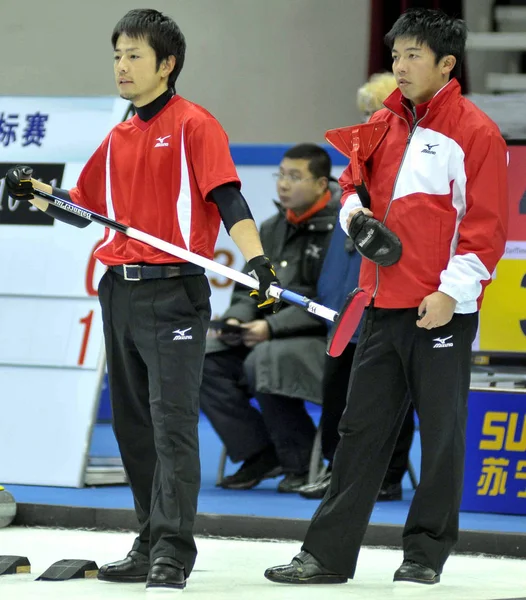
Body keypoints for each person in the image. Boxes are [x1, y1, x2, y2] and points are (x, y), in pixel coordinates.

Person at [5, 9, 280, 593]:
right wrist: (38, 195)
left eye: (134, 55)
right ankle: (149, 539)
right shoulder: (119, 134)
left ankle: (174, 552)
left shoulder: (195, 125)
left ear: (167, 64)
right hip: (118, 291)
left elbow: (229, 200)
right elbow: (82, 211)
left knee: (171, 423)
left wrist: (257, 260)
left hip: (173, 292)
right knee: (134, 426)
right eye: (117, 55)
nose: (122, 66)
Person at [264, 8, 508, 586]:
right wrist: (353, 215)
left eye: (413, 56)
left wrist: (451, 293)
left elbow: (487, 228)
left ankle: (423, 555)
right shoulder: (381, 124)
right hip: (378, 304)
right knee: (358, 433)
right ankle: (325, 556)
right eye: (395, 55)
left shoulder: (475, 133)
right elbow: (349, 185)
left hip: (440, 314)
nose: (399, 66)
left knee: (442, 435)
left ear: (447, 64)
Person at [299, 72, 415, 502]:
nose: (368, 121)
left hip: (387, 300)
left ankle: (388, 475)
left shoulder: (405, 174)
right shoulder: (354, 172)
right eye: (365, 113)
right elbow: (336, 261)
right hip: (346, 304)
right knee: (336, 388)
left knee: (391, 392)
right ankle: (337, 467)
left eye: (377, 113)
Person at [200, 144, 340, 493]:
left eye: (295, 177)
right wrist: (237, 320)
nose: (284, 184)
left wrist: (272, 327)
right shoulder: (271, 227)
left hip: (322, 341)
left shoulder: (341, 230)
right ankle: (261, 452)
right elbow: (251, 286)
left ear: (323, 184)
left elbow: (330, 302)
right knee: (204, 359)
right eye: (281, 175)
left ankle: (301, 458)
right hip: (264, 334)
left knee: (266, 359)